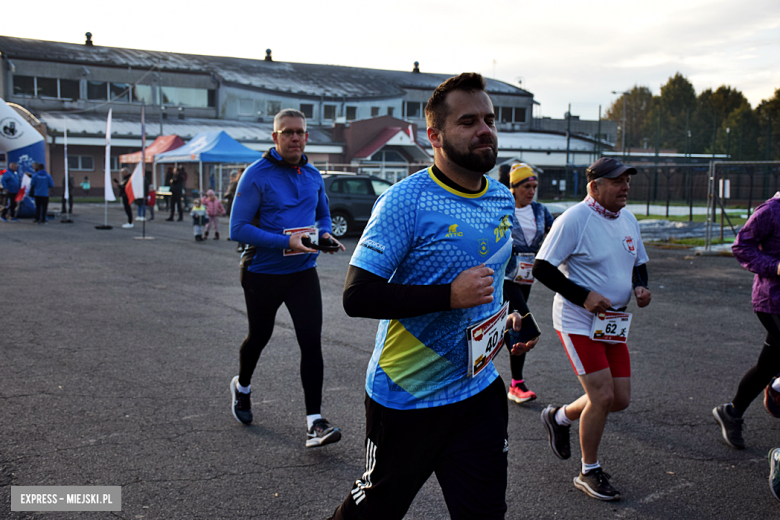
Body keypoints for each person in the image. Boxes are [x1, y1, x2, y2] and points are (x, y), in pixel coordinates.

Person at [327, 73, 536, 520]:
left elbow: (501, 273)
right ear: (434, 136)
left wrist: (519, 313)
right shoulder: (406, 202)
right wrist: (447, 296)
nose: (485, 129)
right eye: (468, 121)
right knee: (371, 514)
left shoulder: (501, 197)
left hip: (478, 391)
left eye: (490, 119)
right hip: (408, 395)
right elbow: (357, 296)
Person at [533, 156, 651, 502]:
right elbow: (542, 267)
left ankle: (559, 416)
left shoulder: (628, 218)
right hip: (578, 320)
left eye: (627, 180)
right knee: (601, 396)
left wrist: (641, 286)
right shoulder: (575, 219)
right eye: (617, 181)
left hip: (612, 322)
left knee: (620, 399)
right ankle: (589, 471)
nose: (625, 187)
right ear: (594, 187)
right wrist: (583, 296)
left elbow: (639, 262)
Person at [229, 108, 346, 448]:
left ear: (307, 136)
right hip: (261, 273)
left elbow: (323, 215)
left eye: (300, 132)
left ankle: (314, 422)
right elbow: (238, 229)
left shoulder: (312, 174)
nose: (295, 137)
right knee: (259, 336)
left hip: (302, 272)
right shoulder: (255, 175)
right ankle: (243, 386)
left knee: (311, 340)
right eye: (288, 132)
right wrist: (286, 241)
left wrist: (323, 236)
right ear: (275, 137)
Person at [713, 191, 780, 450]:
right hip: (773, 302)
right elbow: (741, 247)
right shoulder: (771, 211)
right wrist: (775, 266)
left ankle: (732, 412)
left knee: (767, 365)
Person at [502, 163, 554, 404]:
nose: (531, 191)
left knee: (508, 326)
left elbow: (554, 237)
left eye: (534, 186)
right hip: (505, 276)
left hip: (527, 276)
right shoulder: (503, 210)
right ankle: (517, 384)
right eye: (526, 186)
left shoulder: (541, 211)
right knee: (523, 323)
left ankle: (511, 381)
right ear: (514, 187)